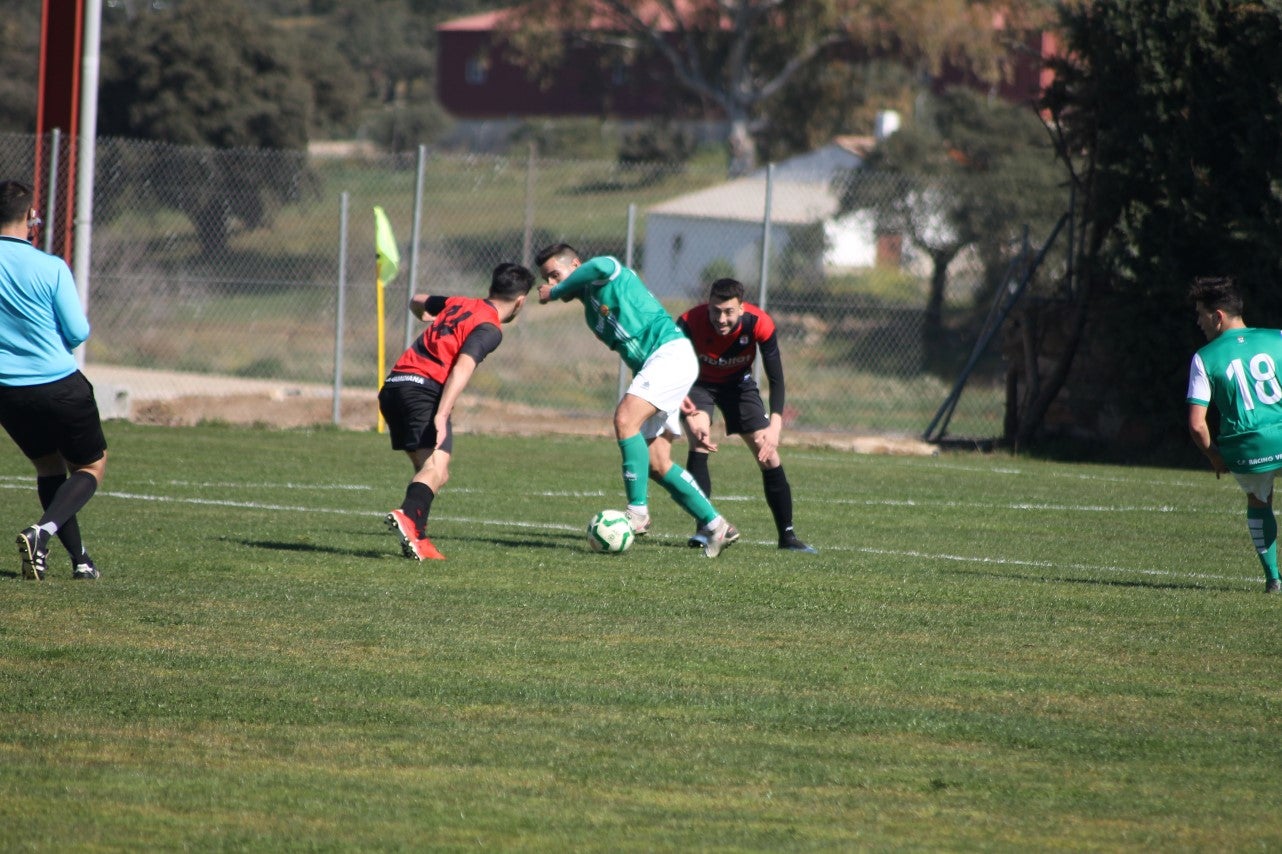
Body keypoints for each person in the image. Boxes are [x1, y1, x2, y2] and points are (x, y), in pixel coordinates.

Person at [535, 243, 739, 557]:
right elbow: (633, 355)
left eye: (554, 274)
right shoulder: (592, 313)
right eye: (547, 279)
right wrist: (675, 394)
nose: (550, 283)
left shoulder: (604, 274)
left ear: (575, 264)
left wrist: (558, 289)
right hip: (660, 368)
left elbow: (601, 265)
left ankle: (637, 512)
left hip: (669, 354)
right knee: (658, 464)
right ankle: (716, 526)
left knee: (624, 420)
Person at [379, 261, 535, 561]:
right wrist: (442, 414)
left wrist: (422, 314)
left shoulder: (458, 303)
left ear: (491, 289)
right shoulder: (489, 327)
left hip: (394, 386)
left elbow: (418, 300)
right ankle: (408, 517)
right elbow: (463, 366)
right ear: (520, 301)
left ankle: (418, 538)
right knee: (436, 469)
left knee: (434, 469)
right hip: (422, 392)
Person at [0, 180, 105, 581]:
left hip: (8, 393)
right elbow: (78, 332)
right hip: (58, 384)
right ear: (30, 216)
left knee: (48, 467)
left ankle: (80, 560)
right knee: (91, 466)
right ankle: (40, 532)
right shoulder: (51, 267)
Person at [677, 278, 817, 553]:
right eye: (715, 310)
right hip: (698, 384)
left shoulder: (760, 323)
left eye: (728, 311)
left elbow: (776, 379)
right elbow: (670, 366)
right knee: (698, 438)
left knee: (768, 453)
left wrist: (774, 428)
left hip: (739, 386)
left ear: (742, 308)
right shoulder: (688, 322)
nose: (721, 318)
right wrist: (687, 408)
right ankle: (706, 530)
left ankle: (787, 537)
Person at [1186, 275, 1282, 593]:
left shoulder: (1204, 358)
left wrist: (1215, 456)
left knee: (1258, 500)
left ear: (1218, 316)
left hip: (1246, 448)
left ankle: (1273, 579)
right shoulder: (1278, 338)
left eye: (1200, 314)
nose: (1198, 321)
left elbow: (1198, 424)